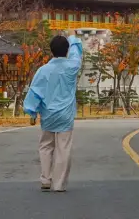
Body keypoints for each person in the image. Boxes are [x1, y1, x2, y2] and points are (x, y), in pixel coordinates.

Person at [23, 33, 83, 192]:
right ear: (66, 50)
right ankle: (59, 184)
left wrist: (32, 112)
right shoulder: (72, 66)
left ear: (51, 50)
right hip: (65, 114)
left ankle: (45, 178)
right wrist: (72, 38)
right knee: (63, 148)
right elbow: (77, 52)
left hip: (48, 114)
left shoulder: (43, 70)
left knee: (45, 146)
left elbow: (35, 92)